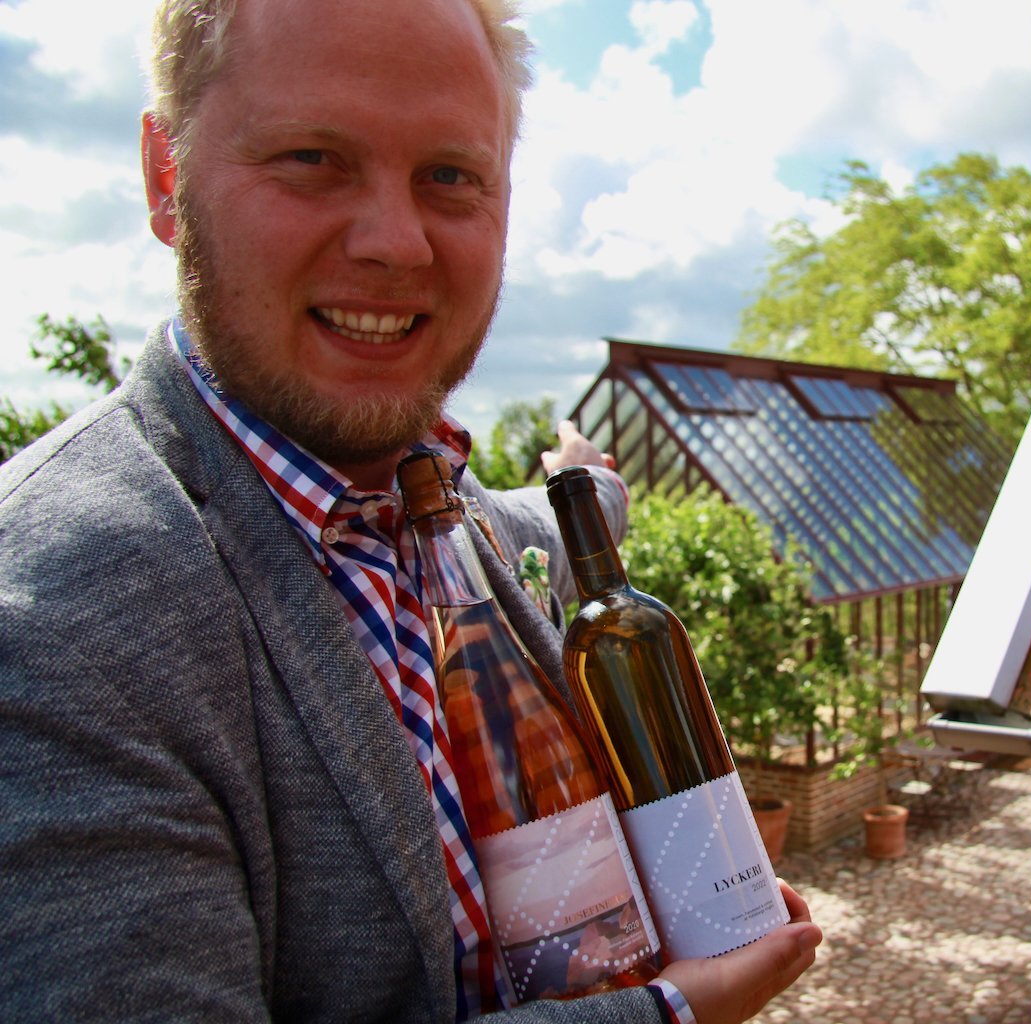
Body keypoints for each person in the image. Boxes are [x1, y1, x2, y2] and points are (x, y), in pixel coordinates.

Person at [0, 0, 821, 1020]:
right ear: (167, 175)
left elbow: (553, 520)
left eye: (449, 175)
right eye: (311, 158)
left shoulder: (449, 516)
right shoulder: (50, 614)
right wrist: (667, 1013)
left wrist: (588, 478)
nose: (396, 243)